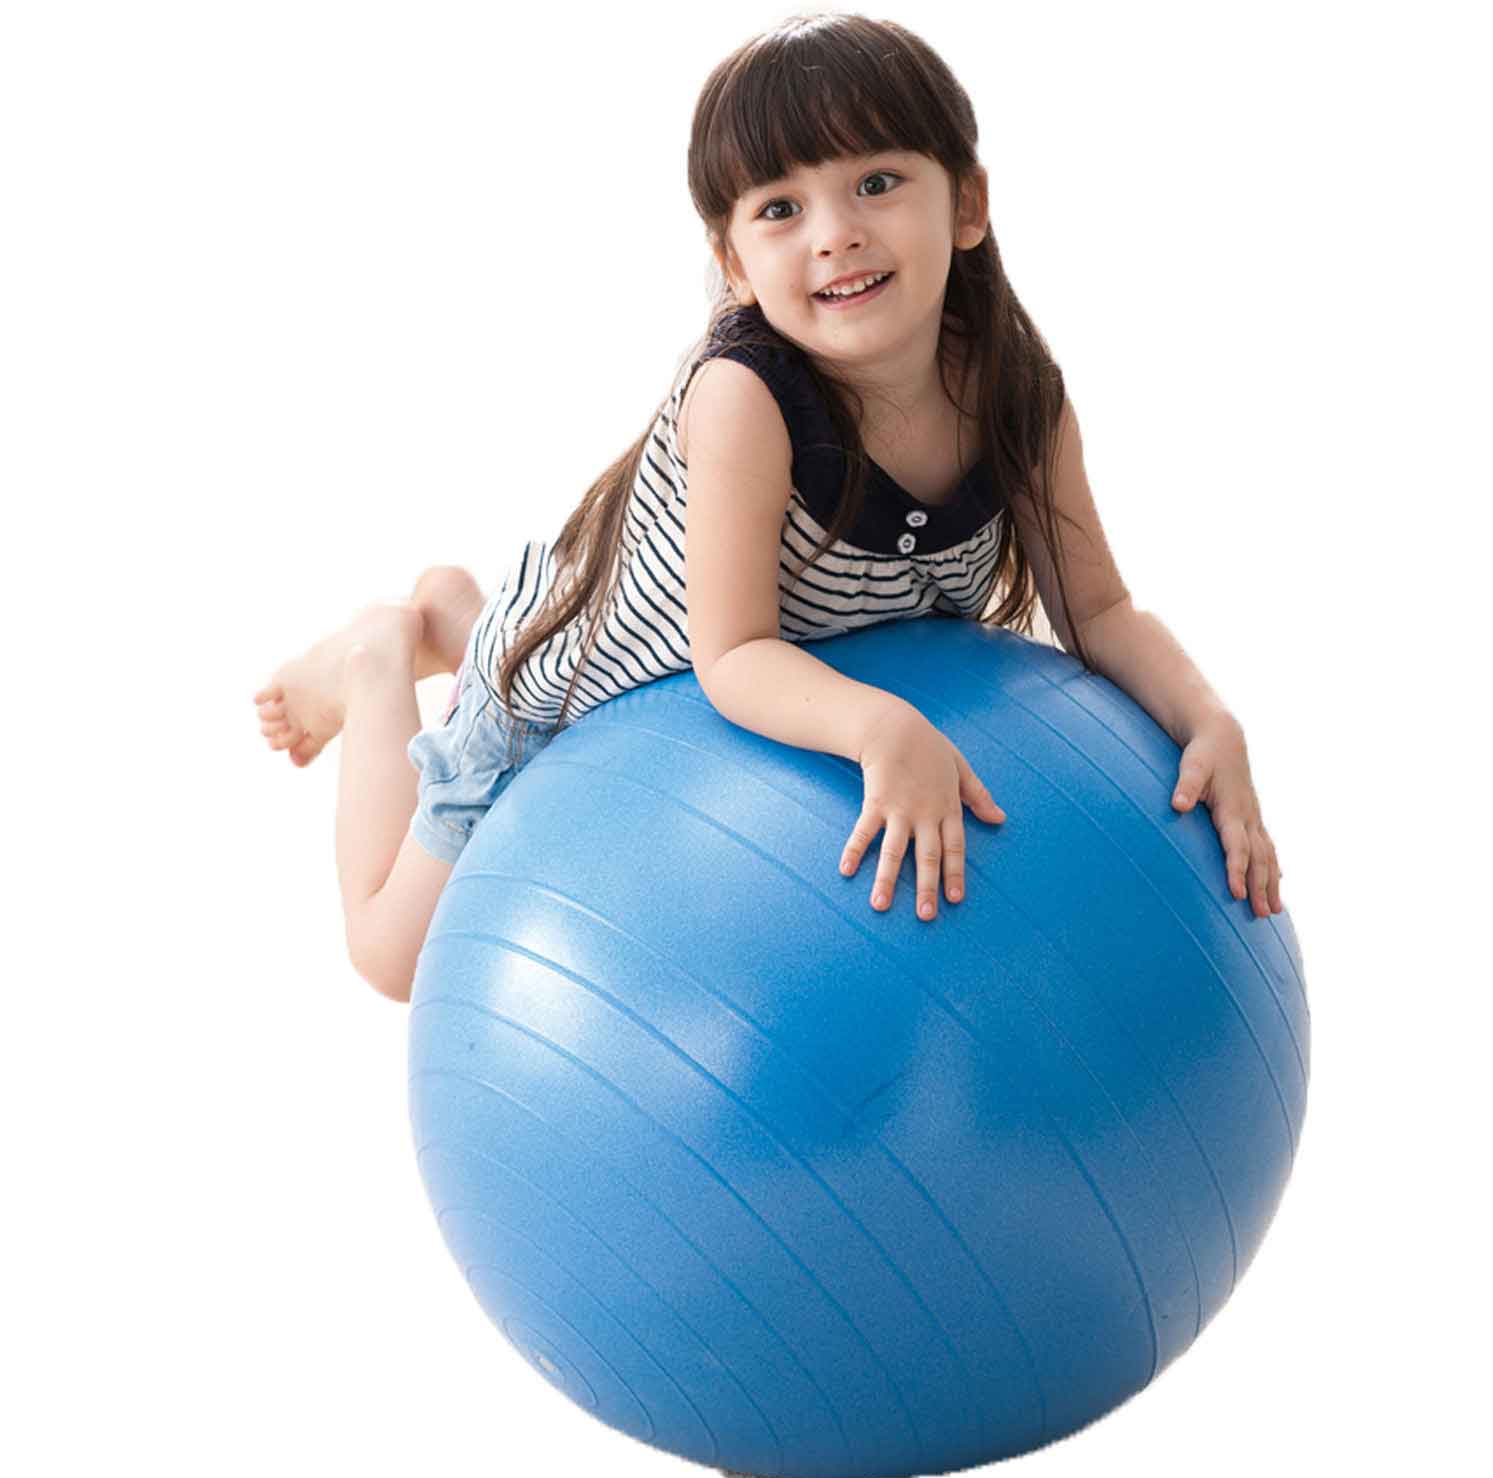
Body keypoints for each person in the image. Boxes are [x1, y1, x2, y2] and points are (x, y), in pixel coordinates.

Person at [253, 11, 1283, 1009]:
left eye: (876, 183)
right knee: (395, 958)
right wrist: (880, 724)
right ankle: (384, 656)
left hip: (736, 695)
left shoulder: (1017, 397)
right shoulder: (746, 398)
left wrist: (1206, 716)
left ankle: (457, 609)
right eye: (782, 208)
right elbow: (735, 653)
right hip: (576, 686)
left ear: (968, 205)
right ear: (735, 264)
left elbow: (1097, 611)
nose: (836, 235)